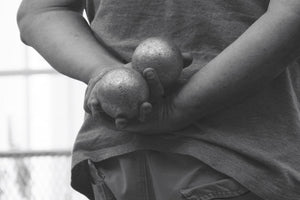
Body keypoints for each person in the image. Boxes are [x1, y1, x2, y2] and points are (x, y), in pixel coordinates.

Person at [17, 0, 300, 199]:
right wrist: (109, 75)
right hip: (239, 156)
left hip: (118, 161)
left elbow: (42, 10)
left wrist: (107, 76)